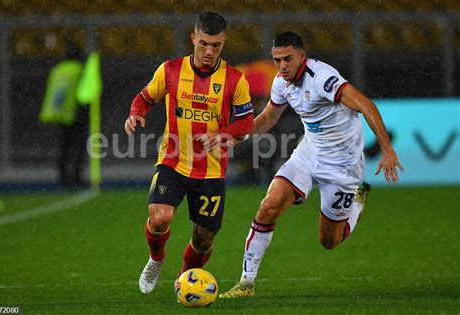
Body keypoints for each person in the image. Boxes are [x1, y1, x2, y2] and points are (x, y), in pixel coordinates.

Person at [219, 31, 404, 298]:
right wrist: (235, 135)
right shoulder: (281, 83)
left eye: (287, 59)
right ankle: (246, 283)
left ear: (302, 57)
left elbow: (365, 104)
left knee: (329, 241)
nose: (282, 66)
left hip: (342, 166)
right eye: (277, 60)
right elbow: (269, 118)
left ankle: (357, 204)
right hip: (308, 154)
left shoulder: (323, 79)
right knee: (269, 206)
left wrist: (386, 149)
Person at [124, 12, 254, 294]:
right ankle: (156, 258)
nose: (209, 51)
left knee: (205, 236)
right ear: (193, 38)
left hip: (211, 170)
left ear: (224, 42)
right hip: (173, 160)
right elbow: (145, 98)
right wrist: (136, 113)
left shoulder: (234, 79)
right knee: (159, 218)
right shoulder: (170, 70)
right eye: (204, 43)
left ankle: (184, 279)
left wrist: (221, 134)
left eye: (216, 46)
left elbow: (246, 122)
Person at [40, 45, 89, 189]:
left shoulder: (58, 69)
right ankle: (76, 177)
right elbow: (84, 93)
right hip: (75, 112)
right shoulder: (80, 69)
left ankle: (63, 177)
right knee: (78, 147)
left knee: (64, 146)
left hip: (60, 112)